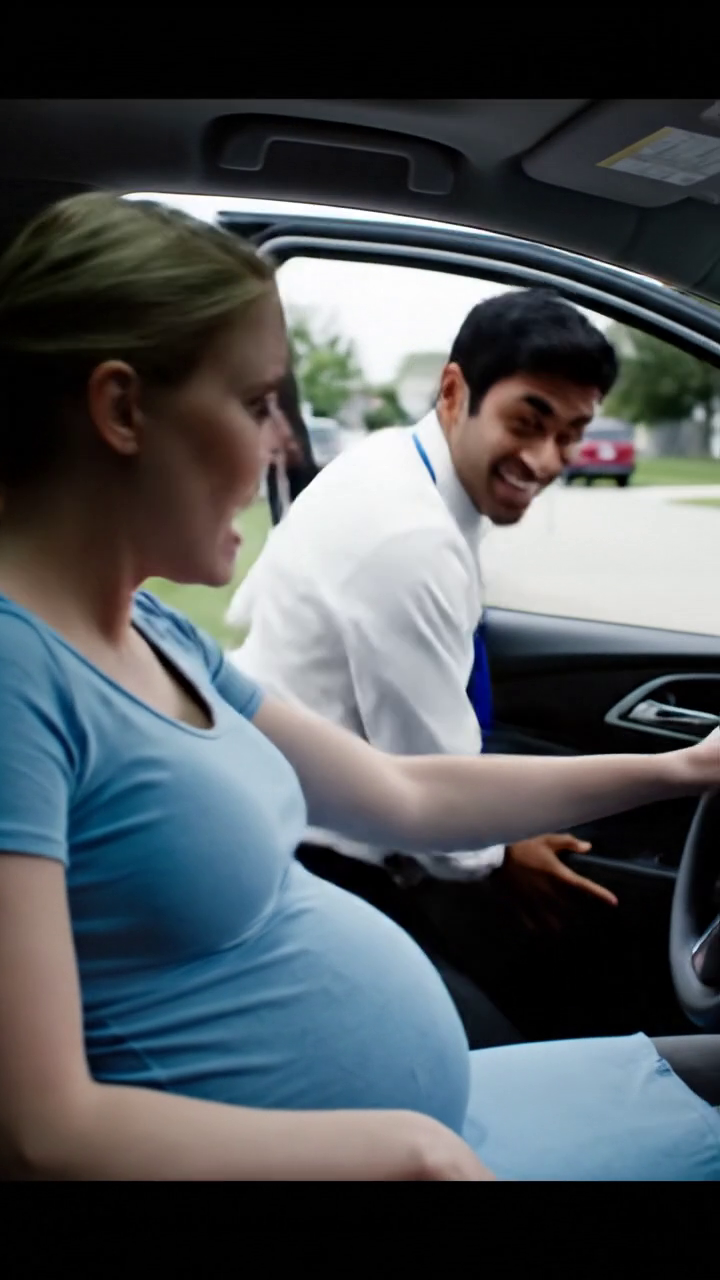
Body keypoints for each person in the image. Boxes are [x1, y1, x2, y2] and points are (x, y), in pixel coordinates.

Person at [0, 193, 718, 1183]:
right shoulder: (18, 680)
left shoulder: (151, 630)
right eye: (258, 403)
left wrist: (684, 767)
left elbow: (404, 790)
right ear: (122, 409)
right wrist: (400, 1150)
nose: (285, 445)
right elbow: (40, 1132)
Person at [227, 290, 630, 1045]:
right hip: (322, 860)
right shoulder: (408, 538)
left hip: (328, 818)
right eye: (528, 422)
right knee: (506, 1053)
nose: (547, 460)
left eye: (571, 435)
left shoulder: (397, 466)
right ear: (453, 392)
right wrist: (502, 850)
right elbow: (439, 820)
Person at [265, 369, 318, 526]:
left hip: (291, 471)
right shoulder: (294, 419)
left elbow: (288, 440)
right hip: (296, 469)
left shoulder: (279, 414)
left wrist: (271, 406)